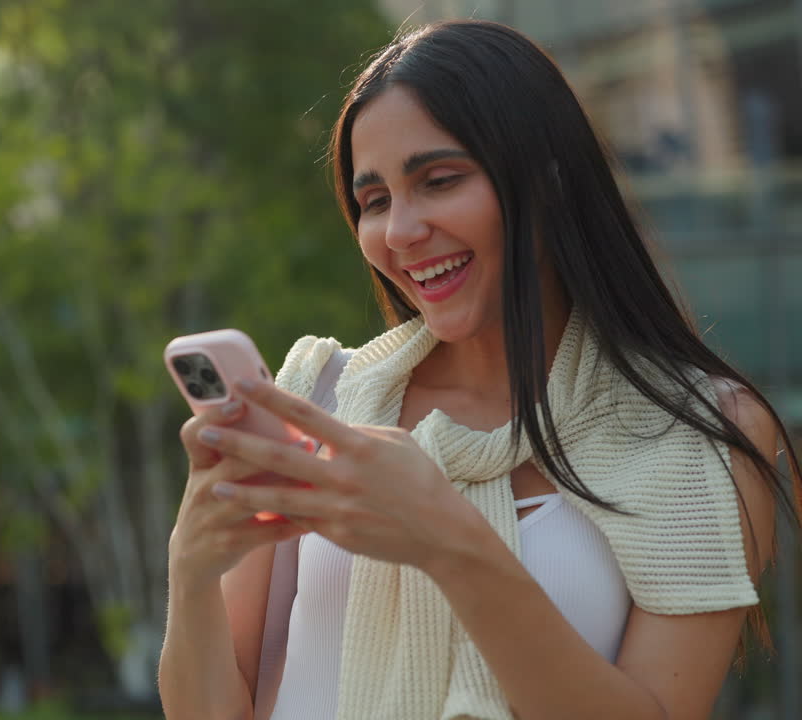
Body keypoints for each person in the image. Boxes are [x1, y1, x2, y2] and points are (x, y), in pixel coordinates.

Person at [157, 19, 801, 720]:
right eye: (374, 201)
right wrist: (190, 571)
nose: (399, 232)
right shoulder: (320, 398)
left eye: (439, 180)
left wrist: (449, 539)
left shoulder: (702, 432)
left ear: (547, 182)